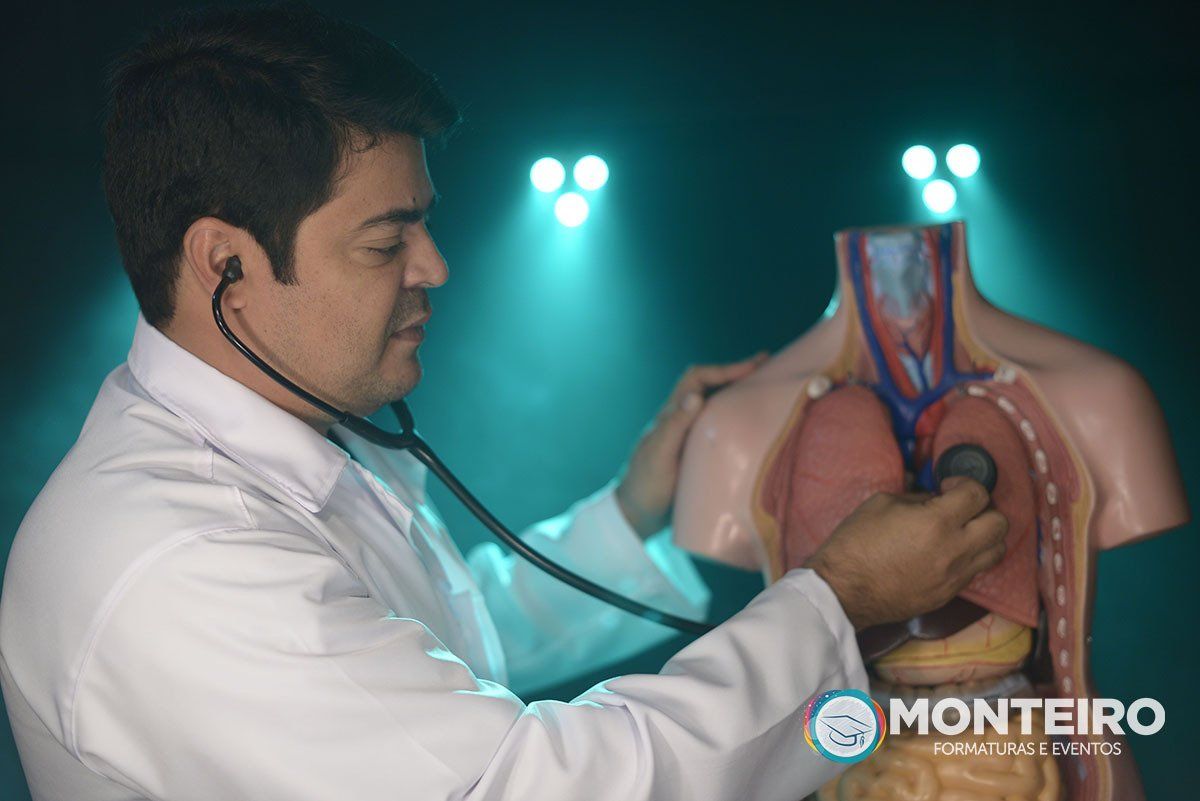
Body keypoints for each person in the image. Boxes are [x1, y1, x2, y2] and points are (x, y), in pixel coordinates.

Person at [0, 4, 1008, 800]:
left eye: (423, 226)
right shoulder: (178, 560)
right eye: (386, 241)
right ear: (225, 263)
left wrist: (631, 513)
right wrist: (841, 598)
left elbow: (430, 651)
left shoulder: (295, 438)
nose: (434, 267)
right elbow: (527, 784)